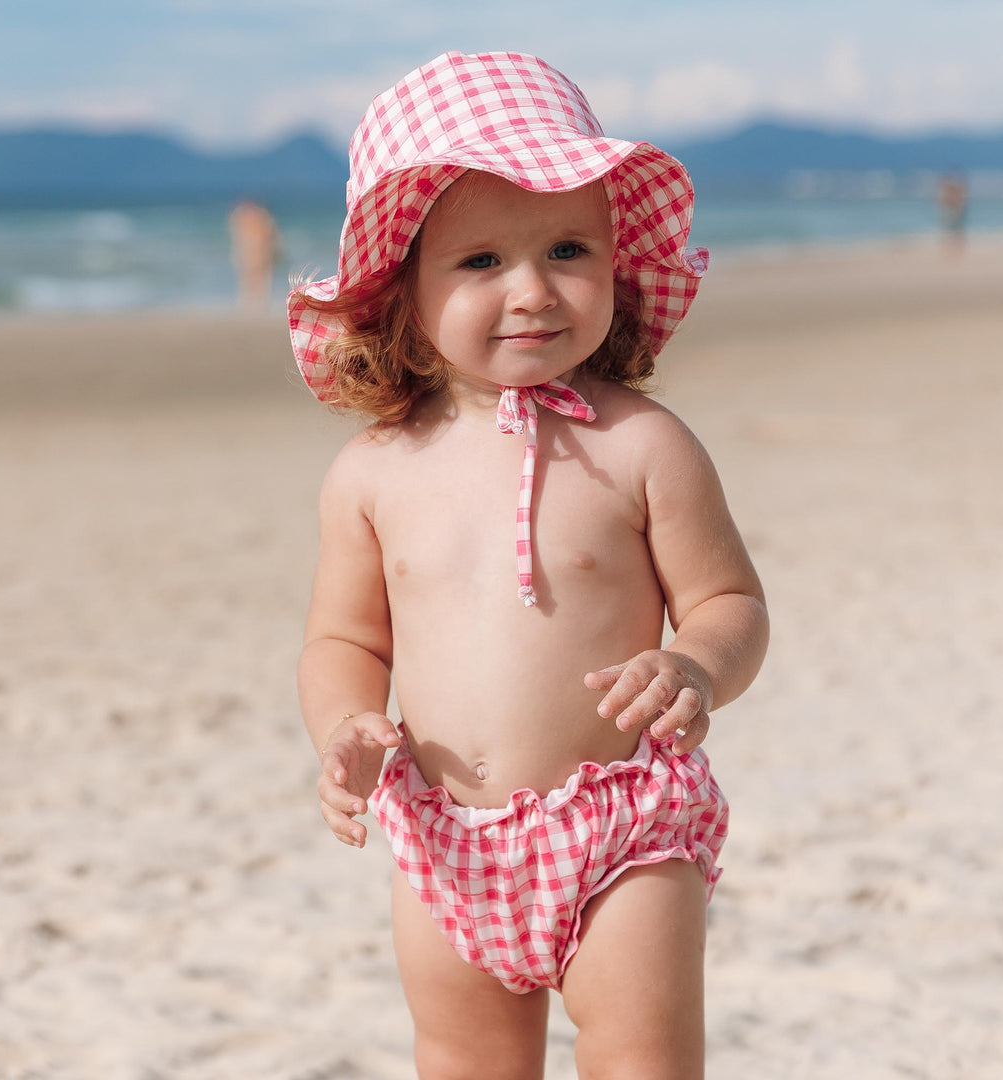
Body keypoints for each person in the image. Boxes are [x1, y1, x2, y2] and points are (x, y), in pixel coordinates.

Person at [289, 51, 768, 1079]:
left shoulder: (643, 444)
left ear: (613, 257)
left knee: (642, 1057)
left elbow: (728, 600)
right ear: (402, 293)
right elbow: (343, 636)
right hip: (446, 837)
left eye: (565, 248)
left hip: (621, 831)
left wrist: (696, 665)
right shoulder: (374, 473)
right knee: (463, 1059)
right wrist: (344, 728)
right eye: (480, 263)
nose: (534, 291)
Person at [228, 198, 281, 311]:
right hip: (255, 251)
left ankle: (254, 303)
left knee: (256, 277)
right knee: (254, 277)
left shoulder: (258, 219)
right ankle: (253, 303)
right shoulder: (261, 219)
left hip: (257, 250)